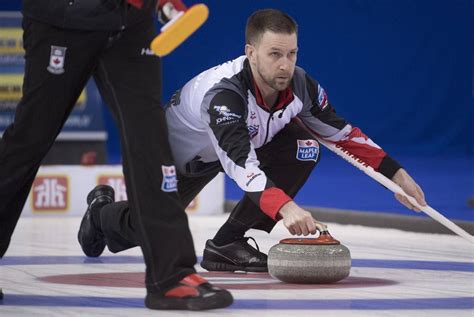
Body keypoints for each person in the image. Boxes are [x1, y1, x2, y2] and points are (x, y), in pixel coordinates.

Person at [78, 8, 427, 274]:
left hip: (230, 148)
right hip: (175, 158)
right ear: (251, 52)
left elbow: (343, 135)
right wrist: (287, 208)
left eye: (292, 54)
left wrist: (396, 175)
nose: (285, 66)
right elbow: (242, 168)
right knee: (142, 231)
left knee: (304, 146)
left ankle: (228, 244)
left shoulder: (300, 86)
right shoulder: (224, 96)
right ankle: (99, 212)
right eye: (275, 54)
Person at [0, 0, 232, 311]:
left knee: (150, 143)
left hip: (130, 23)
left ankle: (171, 276)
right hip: (62, 19)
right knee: (29, 140)